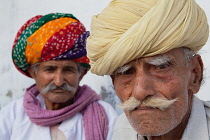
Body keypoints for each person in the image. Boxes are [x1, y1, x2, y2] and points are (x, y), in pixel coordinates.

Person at [86, 0, 209, 139]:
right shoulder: (122, 129)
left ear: (195, 74)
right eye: (126, 72)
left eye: (160, 67)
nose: (140, 92)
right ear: (114, 82)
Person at [0, 13, 117, 140]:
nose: (59, 81)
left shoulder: (104, 115)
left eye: (68, 70)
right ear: (34, 73)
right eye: (50, 69)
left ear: (81, 74)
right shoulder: (12, 115)